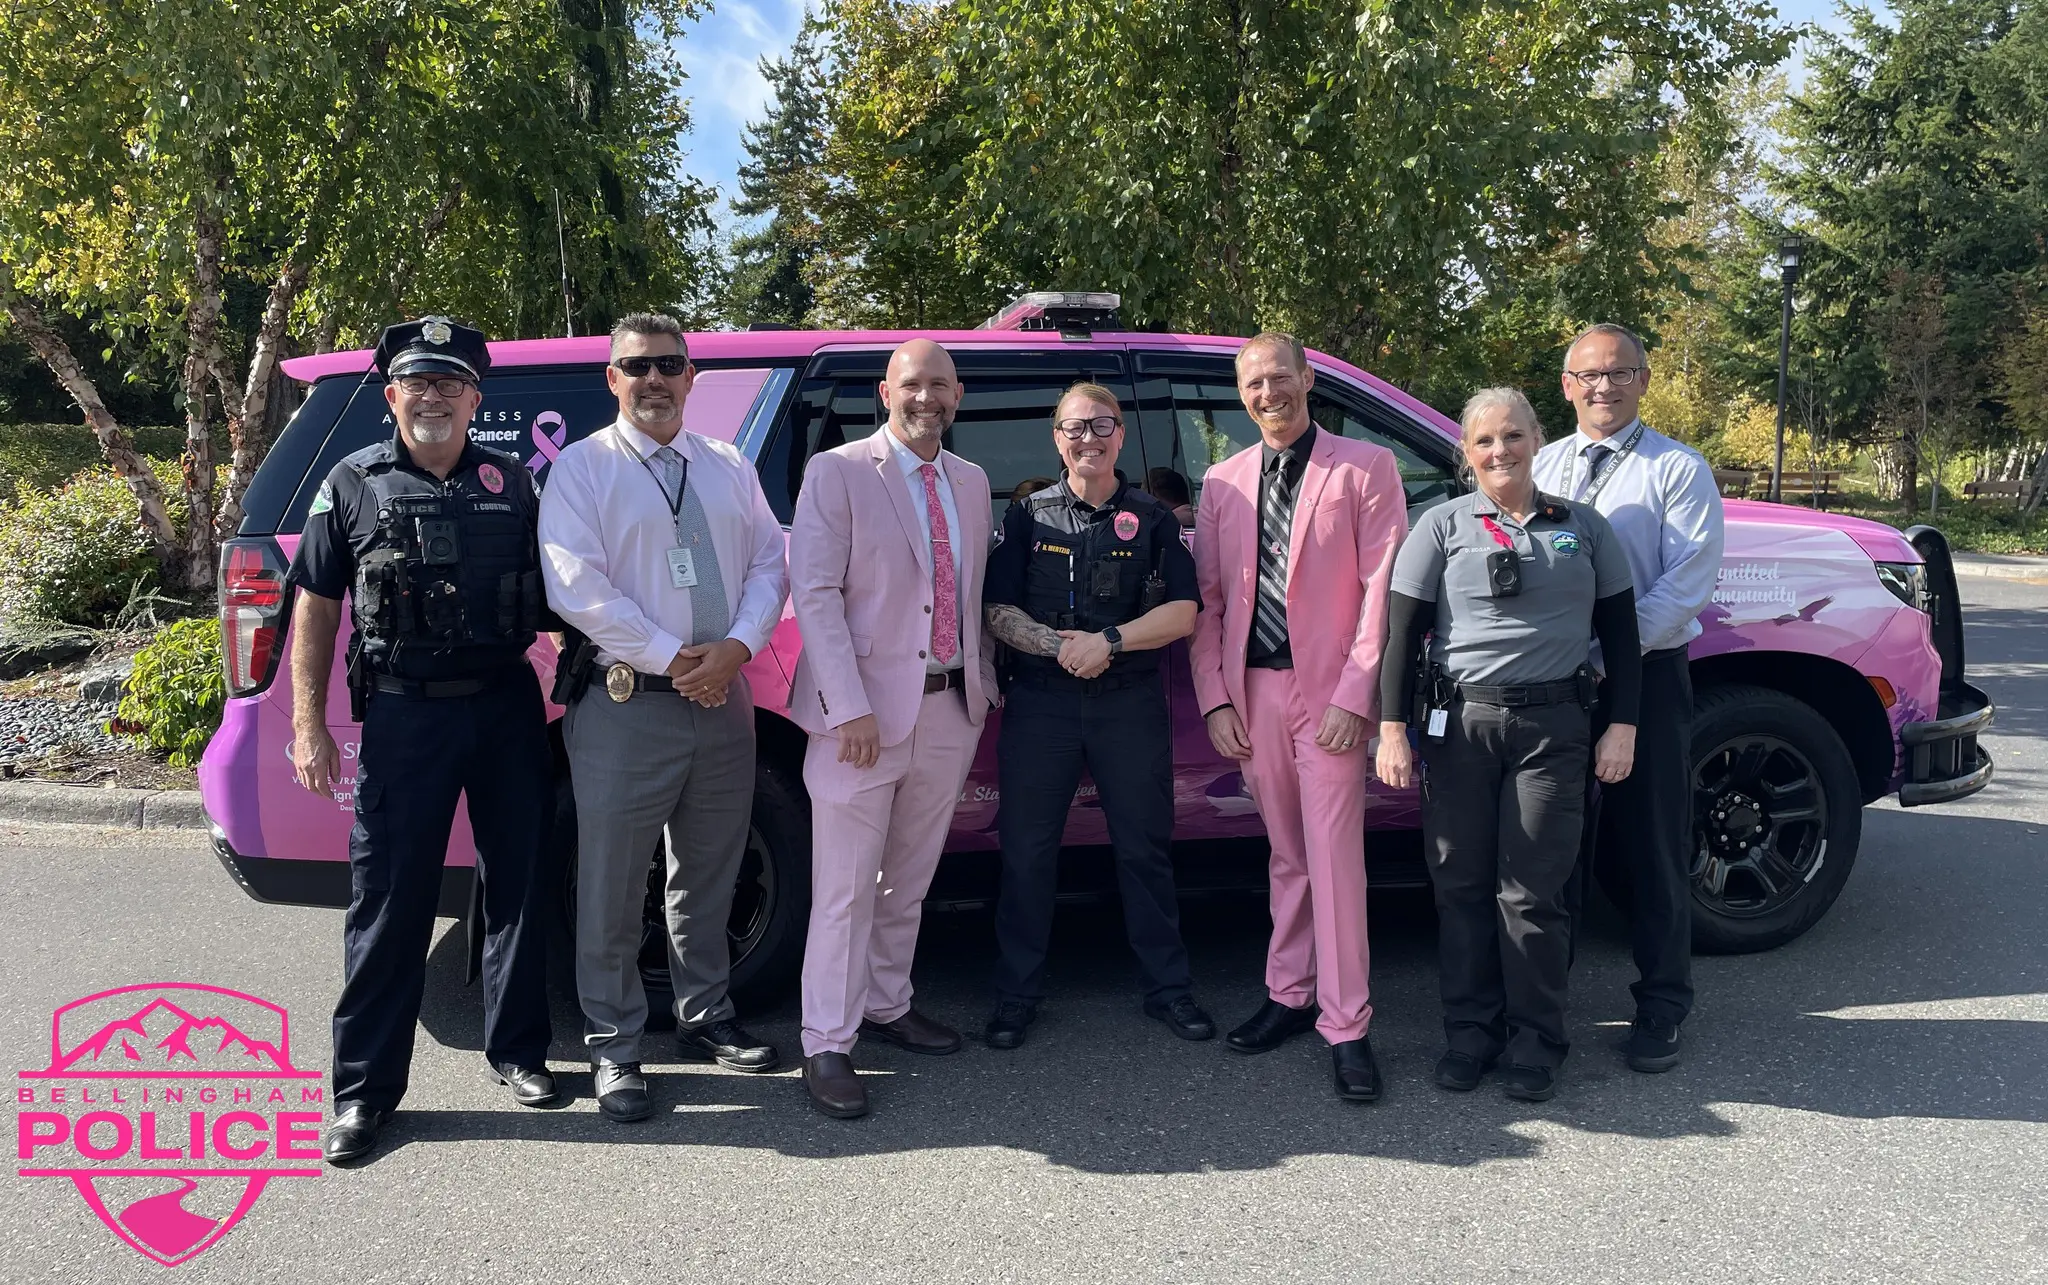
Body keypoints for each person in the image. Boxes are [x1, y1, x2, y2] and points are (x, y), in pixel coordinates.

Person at [286, 316, 557, 1166]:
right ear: (391, 395)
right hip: (406, 714)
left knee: (520, 884)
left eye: (450, 382)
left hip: (506, 705)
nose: (433, 395)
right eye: (418, 381)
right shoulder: (351, 482)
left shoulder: (515, 482)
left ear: (475, 398)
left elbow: (562, 593)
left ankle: (519, 1052)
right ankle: (363, 1091)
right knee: (389, 900)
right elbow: (316, 605)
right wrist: (306, 724)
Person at [538, 313, 790, 1123]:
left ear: (691, 376)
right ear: (612, 378)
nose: (654, 378)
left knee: (711, 871)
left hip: (724, 700)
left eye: (669, 364)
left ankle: (705, 1012)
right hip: (628, 704)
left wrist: (739, 646)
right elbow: (574, 584)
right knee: (612, 887)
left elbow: (770, 562)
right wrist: (675, 657)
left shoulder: (728, 464)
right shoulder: (582, 469)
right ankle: (614, 1045)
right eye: (637, 365)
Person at [1376, 388, 1642, 1102]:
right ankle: (1470, 1034)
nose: (1501, 451)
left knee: (1533, 894)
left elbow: (1622, 638)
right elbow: (1401, 635)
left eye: (1513, 435)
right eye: (1485, 440)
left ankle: (1536, 1041)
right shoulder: (1439, 527)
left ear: (1537, 438)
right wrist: (1392, 727)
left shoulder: (1584, 528)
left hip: (1555, 729)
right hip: (1460, 726)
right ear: (1467, 452)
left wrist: (1622, 725)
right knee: (1461, 887)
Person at [1190, 332, 1408, 1103]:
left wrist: (1357, 695)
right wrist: (1216, 697)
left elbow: (1383, 590)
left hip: (1329, 698)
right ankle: (1289, 992)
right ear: (1241, 394)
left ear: (1307, 378)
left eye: (1279, 376)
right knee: (1287, 854)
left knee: (1335, 862)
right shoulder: (1222, 481)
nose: (1268, 392)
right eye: (1253, 383)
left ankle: (1346, 1024)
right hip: (1254, 695)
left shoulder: (1366, 467)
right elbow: (1209, 601)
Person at [786, 339, 999, 1119]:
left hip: (948, 709)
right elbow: (815, 592)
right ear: (886, 391)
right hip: (860, 721)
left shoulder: (971, 481)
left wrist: (981, 683)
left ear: (957, 394)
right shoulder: (838, 471)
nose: (926, 397)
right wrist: (849, 706)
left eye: (940, 384)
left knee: (907, 878)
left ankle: (886, 1001)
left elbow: (971, 595)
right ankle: (826, 1040)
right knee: (844, 889)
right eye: (912, 383)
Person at [982, 382, 1212, 1049]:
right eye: (1076, 427)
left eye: (1103, 425)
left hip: (1128, 704)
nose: (1090, 438)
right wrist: (1057, 645)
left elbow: (1184, 612)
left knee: (1145, 850)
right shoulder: (1027, 517)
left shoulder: (1153, 518)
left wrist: (1108, 641)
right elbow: (995, 609)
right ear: (1058, 439)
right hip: (1042, 704)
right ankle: (1015, 996)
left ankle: (1169, 990)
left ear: (1120, 436)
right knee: (1027, 854)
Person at [1532, 323, 1724, 1074]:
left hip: (1644, 673)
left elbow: (1686, 584)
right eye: (1589, 375)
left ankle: (1662, 1005)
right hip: (1553, 680)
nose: (1603, 387)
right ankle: (1545, 1009)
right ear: (1567, 385)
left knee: (1652, 843)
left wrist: (1606, 654)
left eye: (1618, 373)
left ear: (1643, 380)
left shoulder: (1677, 468)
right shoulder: (1542, 462)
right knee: (1555, 847)